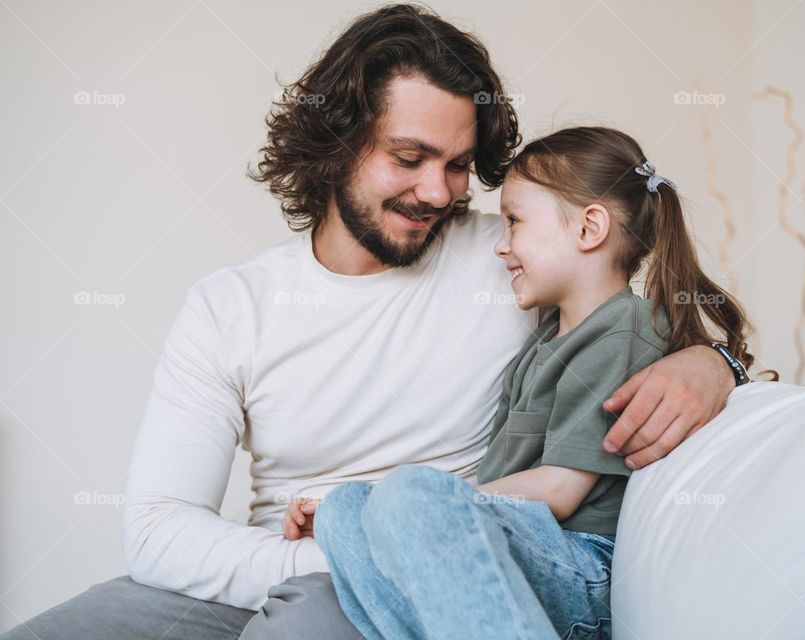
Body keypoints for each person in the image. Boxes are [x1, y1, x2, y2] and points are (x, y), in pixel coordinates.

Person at [0, 6, 743, 640]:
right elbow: (160, 528)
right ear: (338, 144)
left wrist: (716, 366)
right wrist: (337, 548)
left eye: (456, 165)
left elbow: (623, 308)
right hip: (286, 555)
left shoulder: (508, 261)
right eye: (410, 157)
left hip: (415, 566)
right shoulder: (232, 307)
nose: (437, 191)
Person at [281, 126, 756, 639]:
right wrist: (381, 506)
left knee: (407, 494)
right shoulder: (547, 332)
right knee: (345, 511)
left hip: (583, 565)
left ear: (588, 229)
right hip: (523, 547)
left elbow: (558, 491)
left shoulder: (625, 331)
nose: (501, 246)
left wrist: (428, 501)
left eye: (514, 222)